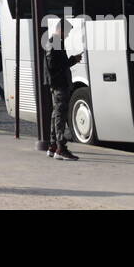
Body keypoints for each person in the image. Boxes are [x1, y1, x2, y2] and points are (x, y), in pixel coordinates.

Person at [44, 19, 83, 161]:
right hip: (59, 84)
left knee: (56, 114)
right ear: (61, 30)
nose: (67, 35)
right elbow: (55, 65)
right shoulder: (55, 42)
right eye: (67, 32)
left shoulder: (53, 42)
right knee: (60, 114)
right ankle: (61, 148)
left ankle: (53, 146)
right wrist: (73, 59)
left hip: (56, 83)